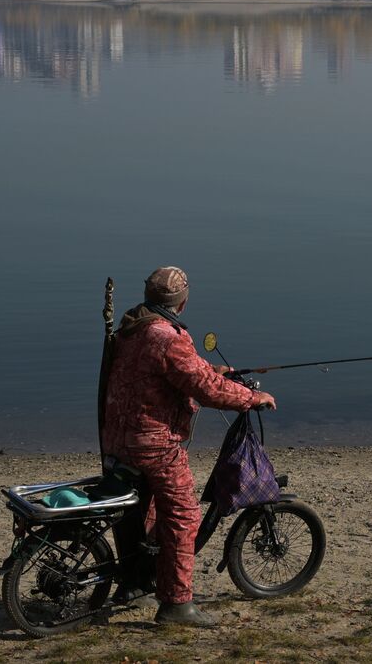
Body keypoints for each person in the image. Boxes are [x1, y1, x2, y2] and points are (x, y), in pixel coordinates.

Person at [101, 266, 276, 628]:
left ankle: (136, 581)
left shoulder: (131, 328)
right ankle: (177, 605)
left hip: (118, 438)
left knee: (142, 509)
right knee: (184, 516)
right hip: (155, 444)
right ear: (183, 301)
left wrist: (217, 371)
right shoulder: (168, 336)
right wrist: (251, 397)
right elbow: (205, 389)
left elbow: (185, 370)